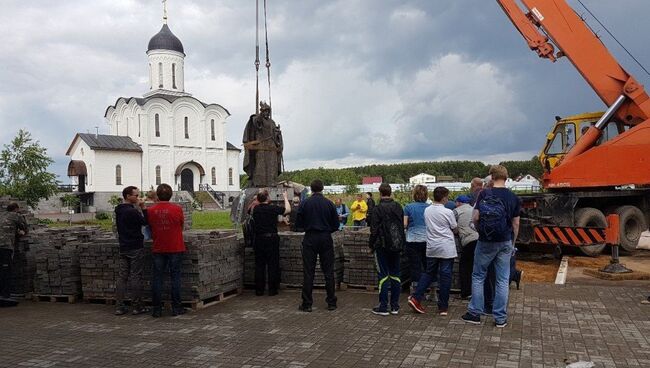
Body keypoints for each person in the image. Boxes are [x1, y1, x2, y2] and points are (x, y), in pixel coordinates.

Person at [462, 165, 521, 328]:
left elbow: (475, 217)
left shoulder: (484, 194)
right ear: (506, 178)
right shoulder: (513, 197)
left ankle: (474, 313)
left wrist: (481, 229)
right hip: (505, 241)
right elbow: (516, 224)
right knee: (502, 280)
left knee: (478, 276)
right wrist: (512, 243)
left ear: (491, 177)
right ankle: (500, 318)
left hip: (485, 241)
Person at [408, 187, 458, 316]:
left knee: (428, 272)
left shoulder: (427, 211)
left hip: (432, 246)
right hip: (446, 247)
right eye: (447, 197)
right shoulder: (448, 212)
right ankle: (443, 307)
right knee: (445, 275)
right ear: (444, 198)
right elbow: (455, 228)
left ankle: (416, 297)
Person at [295, 179, 340, 312]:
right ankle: (331, 302)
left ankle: (307, 303)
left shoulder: (305, 203)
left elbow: (298, 224)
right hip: (326, 238)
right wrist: (326, 231)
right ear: (322, 188)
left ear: (311, 188)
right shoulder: (329, 204)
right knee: (328, 271)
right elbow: (336, 225)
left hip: (310, 238)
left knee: (309, 272)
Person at [147, 183, 187, 318]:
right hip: (175, 246)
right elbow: (181, 225)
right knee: (175, 277)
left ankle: (157, 309)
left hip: (158, 246)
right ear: (171, 195)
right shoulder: (177, 209)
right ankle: (176, 308)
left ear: (157, 195)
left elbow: (150, 227)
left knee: (157, 278)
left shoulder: (151, 210)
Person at [369, 183, 405, 316]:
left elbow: (374, 230)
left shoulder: (377, 209)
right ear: (390, 192)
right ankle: (395, 306)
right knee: (395, 275)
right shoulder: (398, 207)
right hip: (396, 245)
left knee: (383, 276)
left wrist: (371, 245)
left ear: (380, 193)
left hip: (382, 246)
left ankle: (383, 306)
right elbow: (401, 225)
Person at [114, 186, 150, 316]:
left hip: (123, 246)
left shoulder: (118, 210)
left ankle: (119, 306)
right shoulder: (132, 212)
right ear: (128, 196)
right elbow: (145, 222)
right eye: (136, 195)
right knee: (135, 276)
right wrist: (144, 208)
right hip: (135, 246)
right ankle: (137, 306)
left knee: (122, 277)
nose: (138, 197)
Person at [251, 189, 290, 296]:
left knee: (259, 265)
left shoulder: (256, 209)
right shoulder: (272, 208)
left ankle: (259, 290)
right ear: (268, 198)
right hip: (271, 239)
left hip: (259, 239)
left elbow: (250, 209)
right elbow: (287, 210)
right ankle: (272, 290)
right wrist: (285, 197)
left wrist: (257, 196)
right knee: (273, 264)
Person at [242, 101, 284, 187]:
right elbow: (256, 122)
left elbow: (274, 134)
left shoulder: (272, 122)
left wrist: (278, 133)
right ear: (262, 111)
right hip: (261, 146)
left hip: (271, 146)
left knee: (272, 164)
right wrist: (260, 113)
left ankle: (272, 182)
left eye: (268, 111)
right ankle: (260, 183)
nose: (267, 113)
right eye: (265, 111)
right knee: (261, 165)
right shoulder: (258, 119)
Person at [0, 203, 28, 307]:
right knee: (6, 270)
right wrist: (22, 233)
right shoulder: (16, 215)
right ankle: (5, 296)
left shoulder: (2, 215)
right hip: (5, 246)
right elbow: (25, 228)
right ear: (16, 209)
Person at [403, 185, 429, 291]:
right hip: (427, 240)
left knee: (415, 266)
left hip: (412, 240)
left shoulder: (408, 207)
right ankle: (432, 292)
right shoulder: (429, 207)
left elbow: (404, 224)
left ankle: (415, 291)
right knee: (428, 266)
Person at [453, 195, 479, 300]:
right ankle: (477, 292)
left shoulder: (456, 211)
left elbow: (453, 227)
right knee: (476, 267)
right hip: (478, 238)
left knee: (464, 267)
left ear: (458, 202)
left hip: (468, 241)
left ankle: (466, 292)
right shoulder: (473, 209)